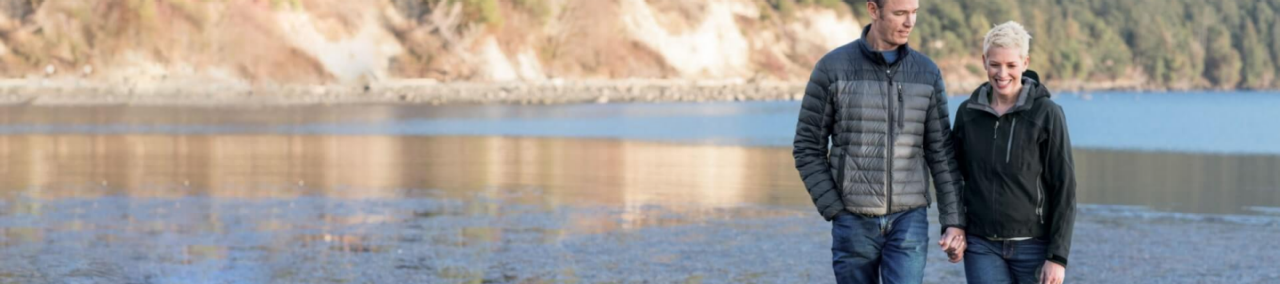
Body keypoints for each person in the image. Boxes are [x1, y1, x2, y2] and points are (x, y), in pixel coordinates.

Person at [792, 0, 967, 283]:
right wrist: (835, 208)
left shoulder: (927, 72)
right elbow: (807, 147)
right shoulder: (832, 68)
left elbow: (941, 153)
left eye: (914, 13)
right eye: (900, 14)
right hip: (853, 219)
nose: (910, 22)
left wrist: (954, 221)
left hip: (909, 220)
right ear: (873, 10)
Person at [951, 21, 1077, 284]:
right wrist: (954, 226)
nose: (1002, 73)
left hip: (1034, 246)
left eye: (1011, 65)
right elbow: (953, 177)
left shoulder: (1047, 114)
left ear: (1025, 62)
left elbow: (1064, 187)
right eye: (995, 64)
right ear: (984, 61)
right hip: (981, 245)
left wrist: (1057, 257)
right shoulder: (967, 113)